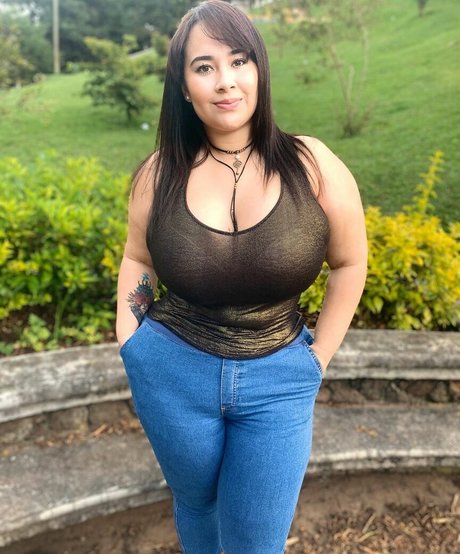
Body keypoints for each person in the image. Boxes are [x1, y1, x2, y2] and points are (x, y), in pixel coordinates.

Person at [116, 1, 367, 552]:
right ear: (184, 87)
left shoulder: (313, 165)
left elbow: (351, 263)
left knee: (257, 540)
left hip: (280, 377)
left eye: (239, 60)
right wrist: (131, 341)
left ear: (259, 70)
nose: (225, 81)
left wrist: (317, 359)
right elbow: (138, 257)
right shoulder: (158, 174)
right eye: (204, 67)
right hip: (171, 373)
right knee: (196, 506)